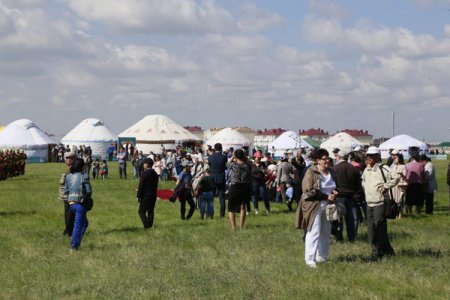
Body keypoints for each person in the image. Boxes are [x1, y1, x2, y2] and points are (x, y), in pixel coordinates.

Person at [297, 148, 337, 268]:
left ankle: (322, 257)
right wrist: (326, 196)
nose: (327, 161)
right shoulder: (311, 172)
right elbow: (308, 190)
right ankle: (310, 260)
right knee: (314, 231)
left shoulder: (331, 171)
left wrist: (336, 192)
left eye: (328, 158)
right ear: (318, 160)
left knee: (326, 231)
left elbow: (335, 185)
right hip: (314, 205)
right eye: (325, 159)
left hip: (329, 206)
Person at [361, 146, 399, 260]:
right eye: (368, 155)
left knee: (380, 230)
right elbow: (363, 180)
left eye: (371, 156)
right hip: (369, 204)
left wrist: (385, 187)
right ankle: (379, 252)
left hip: (380, 204)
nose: (369, 158)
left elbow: (396, 177)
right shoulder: (366, 169)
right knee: (371, 231)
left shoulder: (383, 168)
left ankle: (382, 253)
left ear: (377, 157)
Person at [333, 149, 362, 242]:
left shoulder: (335, 168)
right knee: (350, 219)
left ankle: (339, 237)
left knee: (338, 219)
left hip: (339, 196)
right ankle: (351, 237)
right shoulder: (353, 168)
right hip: (351, 196)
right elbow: (358, 184)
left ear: (339, 157)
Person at [64, 158, 91, 251]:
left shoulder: (68, 176)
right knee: (78, 225)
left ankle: (77, 242)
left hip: (71, 204)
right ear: (82, 166)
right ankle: (74, 246)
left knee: (84, 223)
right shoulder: (84, 176)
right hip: (80, 204)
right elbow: (88, 191)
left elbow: (66, 191)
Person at [227, 149, 252, 230]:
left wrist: (231, 157)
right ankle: (241, 226)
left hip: (235, 187)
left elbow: (226, 164)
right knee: (242, 207)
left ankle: (233, 227)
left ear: (235, 156)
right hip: (245, 187)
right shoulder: (247, 165)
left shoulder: (233, 165)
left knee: (231, 208)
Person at [136, 158, 159, 229]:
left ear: (148, 164)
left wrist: (139, 196)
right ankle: (150, 225)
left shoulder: (145, 173)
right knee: (150, 211)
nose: (143, 164)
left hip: (146, 195)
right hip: (153, 194)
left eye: (144, 163)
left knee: (141, 211)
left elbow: (141, 185)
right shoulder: (155, 173)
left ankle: (146, 226)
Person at [208, 143, 228, 218]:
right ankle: (222, 215)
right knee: (221, 197)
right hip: (221, 178)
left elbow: (210, 165)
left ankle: (210, 214)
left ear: (215, 148)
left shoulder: (210, 157)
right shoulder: (224, 157)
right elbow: (225, 165)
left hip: (213, 177)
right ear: (221, 148)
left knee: (211, 197)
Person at [59, 151, 76, 237]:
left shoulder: (73, 170)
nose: (66, 160)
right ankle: (69, 230)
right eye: (65, 158)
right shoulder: (69, 169)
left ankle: (69, 231)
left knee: (69, 214)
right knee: (68, 213)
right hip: (66, 195)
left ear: (72, 159)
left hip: (71, 196)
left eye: (68, 158)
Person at [389, 151, 407, 218]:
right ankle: (395, 213)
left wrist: (401, 174)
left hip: (400, 185)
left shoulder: (403, 166)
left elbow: (405, 176)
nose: (395, 159)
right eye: (394, 158)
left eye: (396, 158)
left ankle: (400, 214)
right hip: (394, 185)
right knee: (394, 200)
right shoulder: (393, 166)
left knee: (400, 199)